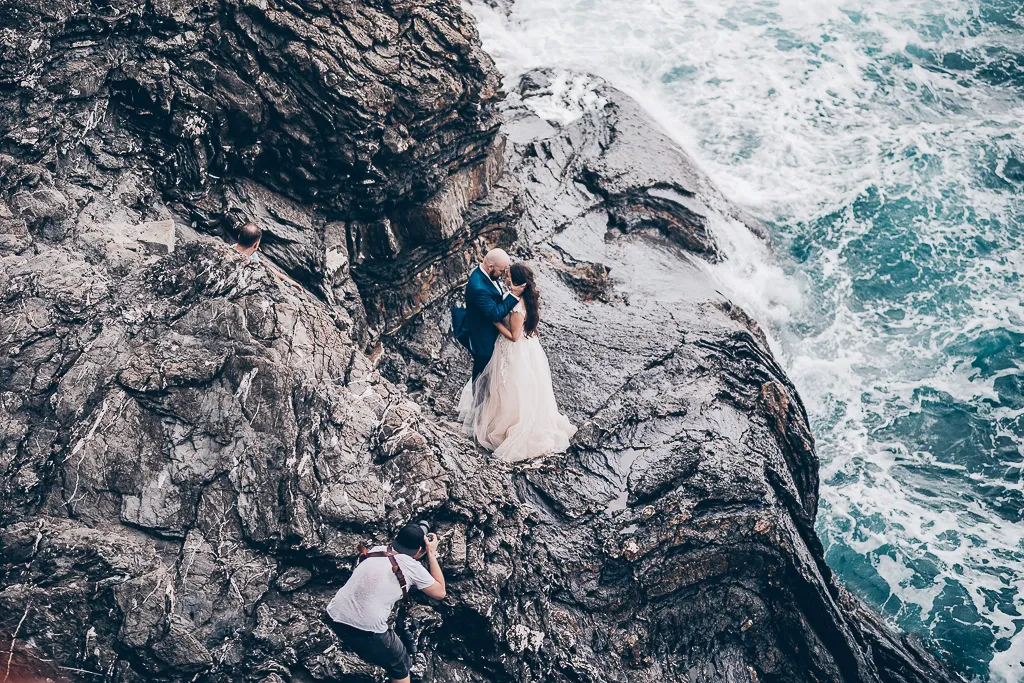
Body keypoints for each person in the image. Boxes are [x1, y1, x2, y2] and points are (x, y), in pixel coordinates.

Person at [458, 263, 576, 462]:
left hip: (513, 349)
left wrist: (495, 322)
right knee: (504, 388)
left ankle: (509, 428)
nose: (505, 276)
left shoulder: (517, 306)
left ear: (516, 281)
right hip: (521, 346)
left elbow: (513, 336)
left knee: (509, 388)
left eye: (509, 275)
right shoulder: (517, 298)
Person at [324, 524, 446, 683]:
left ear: (396, 538)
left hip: (334, 615)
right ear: (419, 550)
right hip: (365, 630)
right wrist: (430, 552)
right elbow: (440, 592)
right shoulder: (412, 567)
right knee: (400, 662)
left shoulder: (376, 549)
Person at [463, 249, 527, 380]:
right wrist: (514, 295)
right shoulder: (479, 288)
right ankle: (479, 400)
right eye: (502, 271)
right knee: (482, 376)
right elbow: (495, 315)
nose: (504, 275)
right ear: (491, 266)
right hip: (483, 338)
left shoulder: (486, 274)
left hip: (494, 335)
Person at [231, 222, 300, 288]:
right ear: (256, 244)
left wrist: (288, 280)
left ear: (239, 236)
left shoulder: (232, 249)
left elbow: (265, 267)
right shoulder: (250, 266)